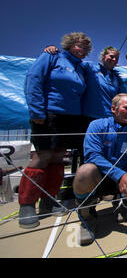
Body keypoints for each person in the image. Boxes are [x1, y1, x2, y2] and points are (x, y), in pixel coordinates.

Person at [19, 32, 92, 229]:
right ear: (69, 45)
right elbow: (34, 78)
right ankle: (26, 205)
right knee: (42, 157)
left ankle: (48, 200)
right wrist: (36, 110)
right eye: (79, 46)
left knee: (59, 156)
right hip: (48, 114)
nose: (82, 50)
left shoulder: (82, 68)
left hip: (71, 118)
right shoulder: (51, 56)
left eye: (86, 48)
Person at [72, 94, 127, 245]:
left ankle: (122, 203)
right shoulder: (97, 126)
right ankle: (87, 216)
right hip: (99, 178)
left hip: (124, 178)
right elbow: (92, 155)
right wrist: (119, 175)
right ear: (113, 109)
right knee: (84, 172)